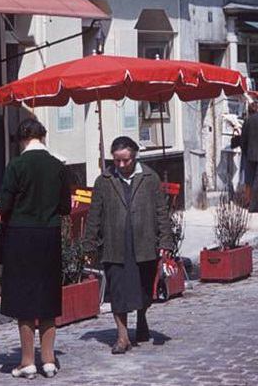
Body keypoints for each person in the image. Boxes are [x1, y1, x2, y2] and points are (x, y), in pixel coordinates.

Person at [83, 136, 174, 354]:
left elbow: (161, 212)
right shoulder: (104, 180)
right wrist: (89, 245)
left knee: (143, 290)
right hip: (115, 244)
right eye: (117, 161)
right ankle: (122, 337)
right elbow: (94, 214)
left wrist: (166, 240)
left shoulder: (149, 178)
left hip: (144, 242)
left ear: (134, 157)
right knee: (118, 291)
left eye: (126, 160)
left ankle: (142, 319)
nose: (121, 165)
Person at [0, 119, 72, 379]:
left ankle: (27, 361)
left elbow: (3, 205)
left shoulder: (16, 165)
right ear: (43, 136)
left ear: (21, 140)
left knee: (24, 299)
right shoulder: (57, 166)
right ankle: (49, 360)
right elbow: (65, 207)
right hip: (49, 235)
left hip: (21, 235)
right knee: (48, 297)